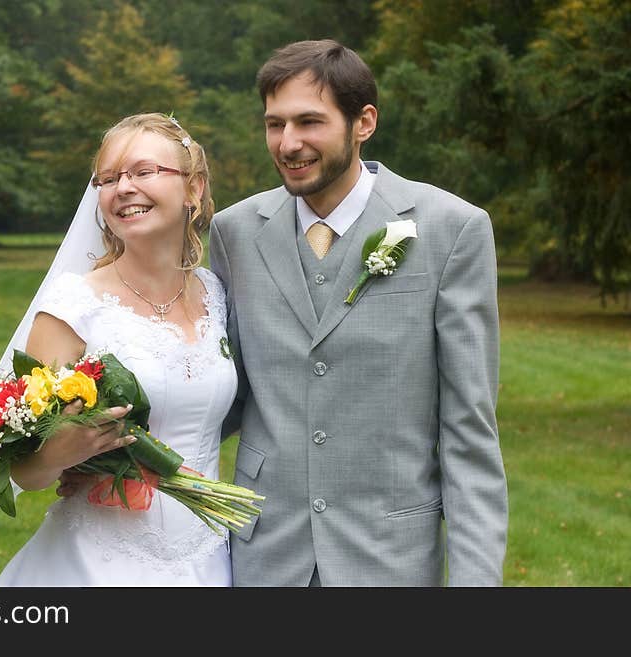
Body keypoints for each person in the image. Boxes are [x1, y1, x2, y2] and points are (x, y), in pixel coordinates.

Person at [208, 40, 508, 586]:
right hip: (264, 555)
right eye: (275, 124)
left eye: (309, 122)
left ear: (363, 121)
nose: (288, 143)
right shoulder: (235, 232)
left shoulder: (451, 230)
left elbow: (469, 434)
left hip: (390, 558)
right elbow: (224, 391)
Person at [0, 113, 237, 586]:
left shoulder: (216, 293)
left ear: (194, 188)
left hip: (208, 554)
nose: (122, 187)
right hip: (100, 565)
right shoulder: (74, 307)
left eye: (143, 172)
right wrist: (62, 452)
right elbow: (24, 469)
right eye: (108, 178)